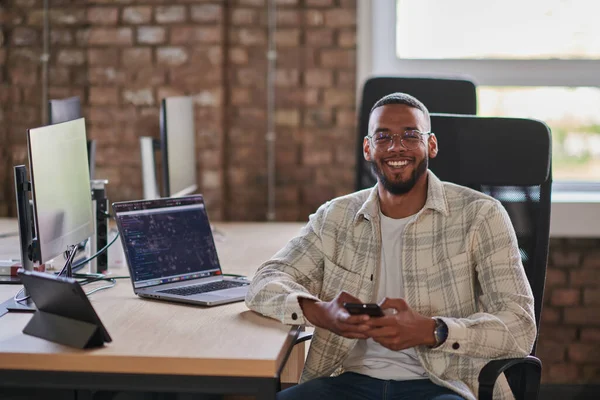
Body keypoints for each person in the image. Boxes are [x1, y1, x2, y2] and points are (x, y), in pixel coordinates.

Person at [245, 93, 536, 400]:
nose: (397, 147)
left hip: (443, 384)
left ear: (431, 145)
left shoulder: (481, 215)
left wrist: (433, 330)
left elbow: (521, 326)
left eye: (410, 135)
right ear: (368, 149)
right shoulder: (335, 217)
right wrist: (320, 313)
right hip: (346, 381)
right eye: (383, 137)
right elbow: (262, 283)